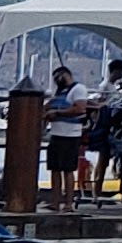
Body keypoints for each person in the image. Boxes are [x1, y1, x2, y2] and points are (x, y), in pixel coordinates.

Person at [44, 65, 88, 209]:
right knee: (54, 169)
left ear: (66, 75)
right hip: (56, 134)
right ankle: (55, 202)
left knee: (68, 169)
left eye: (58, 76)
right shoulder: (59, 92)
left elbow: (80, 108)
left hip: (70, 135)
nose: (56, 80)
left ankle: (68, 203)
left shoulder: (78, 89)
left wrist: (57, 113)